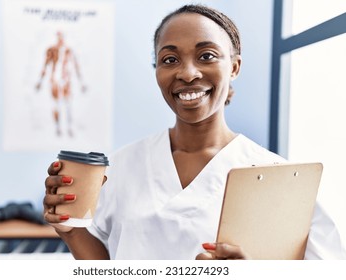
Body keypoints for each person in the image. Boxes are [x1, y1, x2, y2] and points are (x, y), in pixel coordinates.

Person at [43, 4, 345, 260]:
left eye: (207, 56)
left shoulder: (281, 181)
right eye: (170, 60)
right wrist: (71, 231)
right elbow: (108, 268)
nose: (187, 73)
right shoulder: (122, 166)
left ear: (235, 67)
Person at [36, 31, 86, 137]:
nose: (60, 39)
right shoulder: (51, 50)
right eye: (59, 37)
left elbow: (76, 66)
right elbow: (45, 66)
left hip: (66, 81)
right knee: (56, 105)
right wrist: (40, 81)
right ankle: (58, 128)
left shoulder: (69, 51)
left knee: (68, 105)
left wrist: (81, 82)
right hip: (55, 81)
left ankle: (69, 128)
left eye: (62, 37)